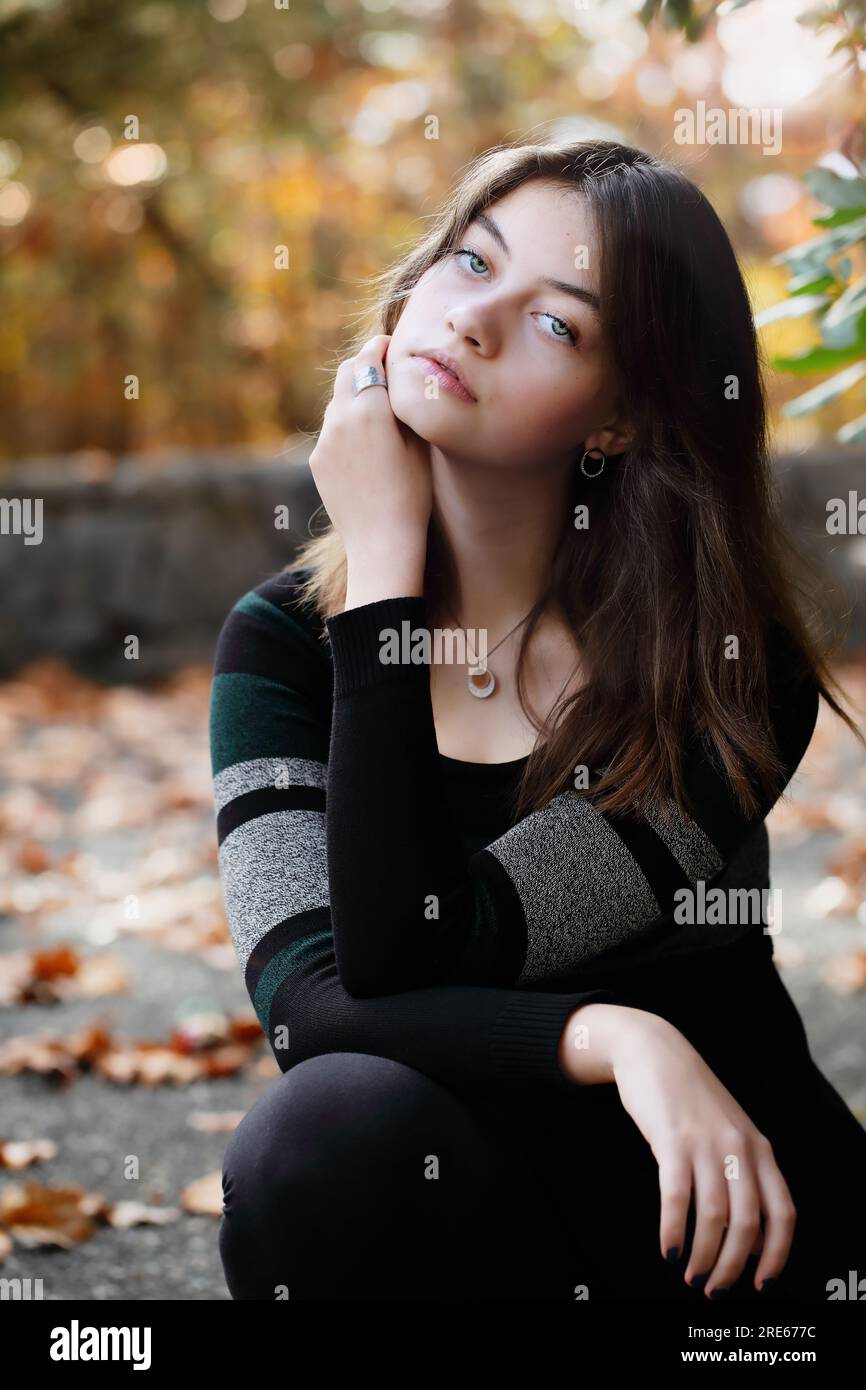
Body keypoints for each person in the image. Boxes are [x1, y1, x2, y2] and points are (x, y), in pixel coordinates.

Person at [209, 138, 866, 1302]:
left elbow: (421, 942)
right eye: (469, 264)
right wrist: (620, 1038)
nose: (471, 321)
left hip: (719, 1224)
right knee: (316, 1137)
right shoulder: (280, 648)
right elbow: (313, 1010)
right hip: (462, 1206)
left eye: (557, 324)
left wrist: (383, 577)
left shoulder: (721, 672)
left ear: (615, 422)